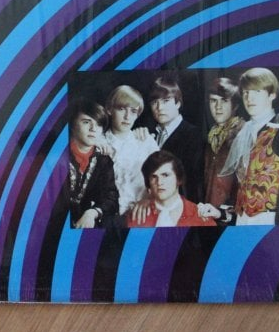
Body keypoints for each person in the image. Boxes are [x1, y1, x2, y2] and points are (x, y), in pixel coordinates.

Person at [219, 68, 279, 226]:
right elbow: (242, 186)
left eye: (257, 91)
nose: (249, 98)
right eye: (246, 92)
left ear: (272, 95)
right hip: (242, 219)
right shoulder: (242, 132)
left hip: (270, 219)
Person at [103, 85, 159, 215]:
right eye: (122, 109)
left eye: (133, 111)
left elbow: (161, 176)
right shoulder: (100, 142)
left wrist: (149, 199)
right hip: (109, 215)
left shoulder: (145, 141)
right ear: (109, 109)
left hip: (143, 212)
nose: (127, 117)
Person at [147, 75, 204, 203]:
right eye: (155, 102)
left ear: (178, 103)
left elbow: (194, 184)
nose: (160, 108)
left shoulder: (193, 135)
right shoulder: (151, 134)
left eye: (166, 101)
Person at [66, 99, 119, 228]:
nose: (93, 129)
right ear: (72, 125)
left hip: (86, 222)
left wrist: (92, 213)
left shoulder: (103, 161)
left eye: (98, 124)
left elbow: (111, 198)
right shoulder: (56, 156)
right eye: (86, 122)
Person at [127, 150, 215, 227]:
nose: (159, 182)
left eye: (165, 175)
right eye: (154, 177)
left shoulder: (200, 216)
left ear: (179, 179)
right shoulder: (138, 215)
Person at [202, 77, 245, 209]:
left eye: (224, 101)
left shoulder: (242, 133)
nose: (218, 107)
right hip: (211, 211)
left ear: (235, 105)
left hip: (233, 213)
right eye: (213, 101)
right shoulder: (212, 135)